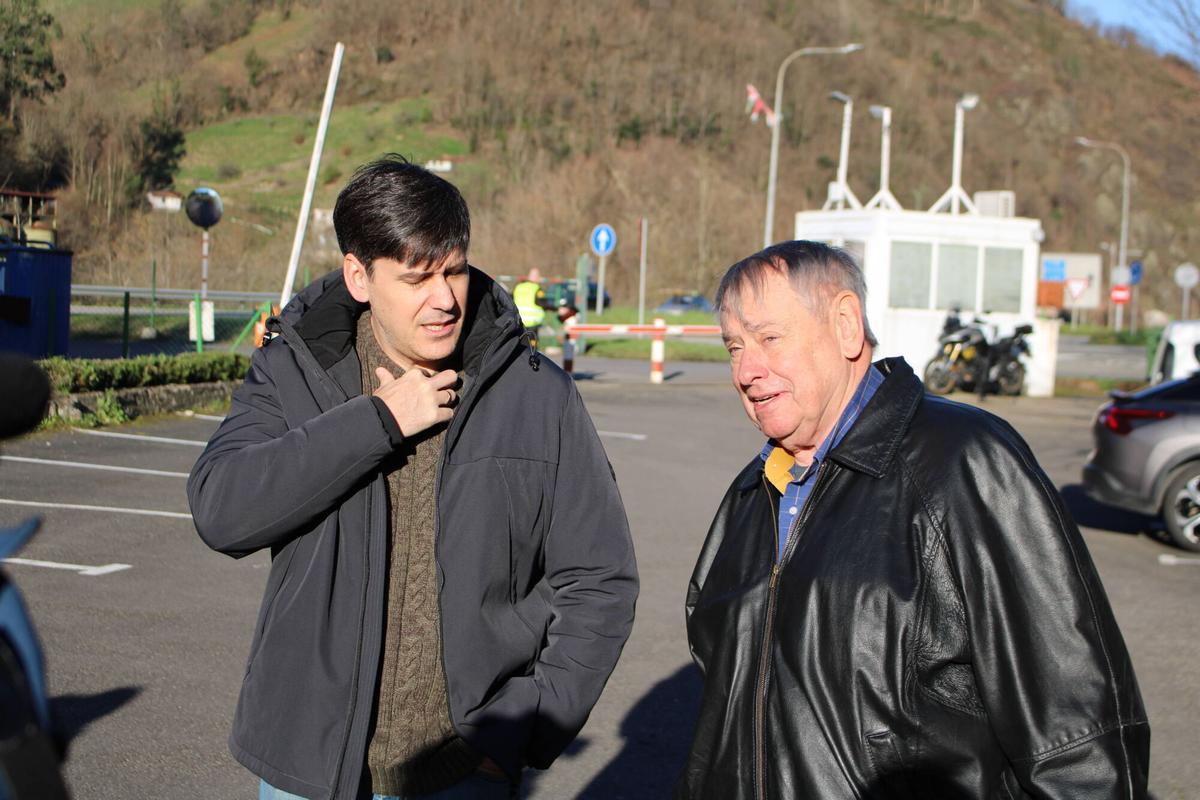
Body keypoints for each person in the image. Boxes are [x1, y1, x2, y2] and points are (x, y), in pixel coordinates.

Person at [188, 156, 638, 800]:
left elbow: (600, 577)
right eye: (417, 278)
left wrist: (525, 728)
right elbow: (220, 511)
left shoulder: (537, 396)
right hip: (307, 770)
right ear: (358, 277)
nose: (445, 298)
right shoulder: (294, 374)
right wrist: (376, 422)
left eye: (453, 270)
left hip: (466, 774)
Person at [675, 241, 1149, 799]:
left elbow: (1072, 728)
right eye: (734, 347)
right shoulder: (753, 492)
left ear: (847, 326)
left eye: (769, 339)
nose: (747, 371)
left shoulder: (965, 463)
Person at [510, 268, 549, 347]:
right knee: (532, 347)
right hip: (532, 323)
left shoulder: (518, 286)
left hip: (519, 321)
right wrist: (553, 307)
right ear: (536, 277)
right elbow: (542, 303)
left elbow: (510, 299)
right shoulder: (536, 288)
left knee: (520, 345)